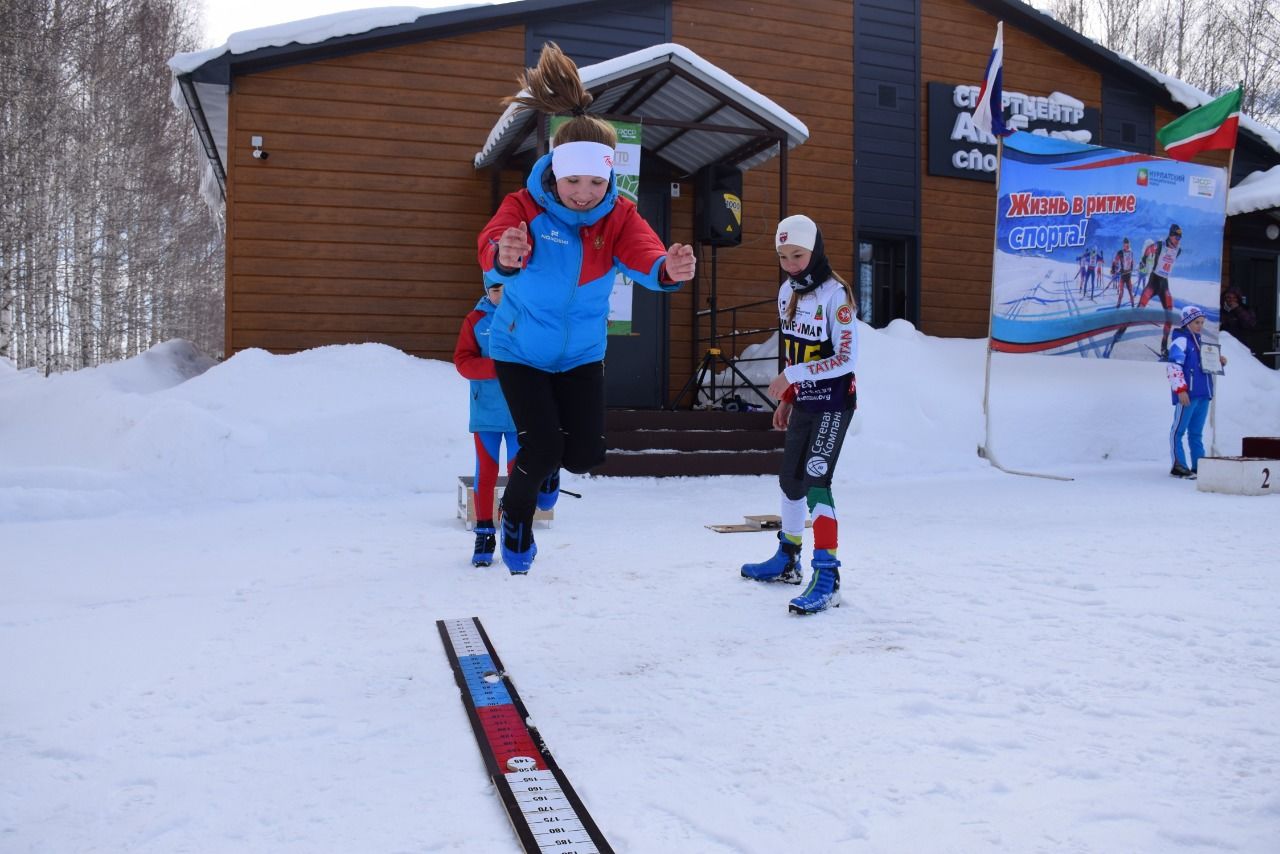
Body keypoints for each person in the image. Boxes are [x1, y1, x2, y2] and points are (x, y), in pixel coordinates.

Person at [477, 42, 696, 574]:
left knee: (583, 455)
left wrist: (668, 268)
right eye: (574, 181)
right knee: (543, 442)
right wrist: (504, 257)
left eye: (595, 182)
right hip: (520, 348)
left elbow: (645, 252)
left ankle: (550, 473)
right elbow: (491, 248)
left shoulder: (617, 214)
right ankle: (515, 518)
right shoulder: (523, 206)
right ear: (555, 170)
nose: (583, 192)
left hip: (579, 355)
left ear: (608, 179)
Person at [740, 214, 858, 615]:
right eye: (783, 256)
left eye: (798, 255)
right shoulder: (787, 291)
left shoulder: (835, 294)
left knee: (816, 479)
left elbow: (846, 359)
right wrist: (789, 395)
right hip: (805, 400)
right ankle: (788, 557)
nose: (791, 264)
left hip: (833, 401)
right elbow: (793, 347)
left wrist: (793, 375)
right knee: (790, 480)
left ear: (815, 250)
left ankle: (828, 574)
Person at [454, 279, 520, 567]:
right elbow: (463, 361)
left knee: (520, 473)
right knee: (487, 471)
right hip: (487, 411)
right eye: (495, 291)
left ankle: (519, 531)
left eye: (506, 290)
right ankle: (484, 534)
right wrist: (497, 366)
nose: (500, 296)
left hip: (522, 412)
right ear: (486, 291)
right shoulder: (475, 320)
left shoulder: (526, 315)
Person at [1167, 304, 1227, 478]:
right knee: (1178, 431)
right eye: (1196, 323)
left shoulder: (1201, 342)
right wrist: (1180, 390)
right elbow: (1173, 367)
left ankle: (1198, 465)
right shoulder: (1181, 341)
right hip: (1188, 395)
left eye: (1202, 322)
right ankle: (1178, 465)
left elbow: (1204, 365)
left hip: (1203, 394)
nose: (1200, 326)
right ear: (1186, 323)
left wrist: (1218, 361)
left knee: (1196, 433)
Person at [1136, 224, 1183, 357]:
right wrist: (1144, 261)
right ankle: (1121, 331)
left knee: (1169, 316)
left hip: (1164, 285)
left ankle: (1164, 347)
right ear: (1170, 235)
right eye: (1176, 236)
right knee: (1138, 310)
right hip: (1153, 282)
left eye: (1180, 237)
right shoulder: (1160, 245)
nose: (1178, 239)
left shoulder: (1178, 250)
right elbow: (1148, 250)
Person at [1111, 237, 1136, 308]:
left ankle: (1133, 306)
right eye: (1125, 245)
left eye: (1128, 245)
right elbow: (1115, 261)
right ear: (1123, 245)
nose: (1127, 246)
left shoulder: (1131, 253)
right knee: (1121, 292)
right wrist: (1113, 269)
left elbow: (1132, 262)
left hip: (1128, 275)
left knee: (1130, 291)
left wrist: (1131, 269)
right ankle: (1118, 305)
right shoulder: (1120, 252)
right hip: (1122, 275)